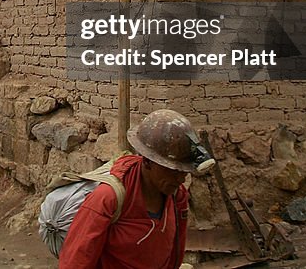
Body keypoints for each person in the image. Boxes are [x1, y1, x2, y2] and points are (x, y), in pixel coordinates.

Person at [58, 110, 214, 269]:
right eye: (173, 171)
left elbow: (175, 253)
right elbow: (75, 262)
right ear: (147, 163)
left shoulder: (177, 196)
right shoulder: (108, 199)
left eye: (183, 172)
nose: (180, 179)